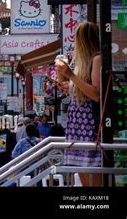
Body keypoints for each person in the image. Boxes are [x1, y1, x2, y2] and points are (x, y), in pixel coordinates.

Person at [56, 21, 102, 186]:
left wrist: (71, 76)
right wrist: (69, 87)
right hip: (79, 127)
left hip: (88, 126)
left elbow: (96, 94)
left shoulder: (97, 59)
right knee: (84, 178)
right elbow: (86, 91)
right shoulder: (84, 62)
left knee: (93, 177)